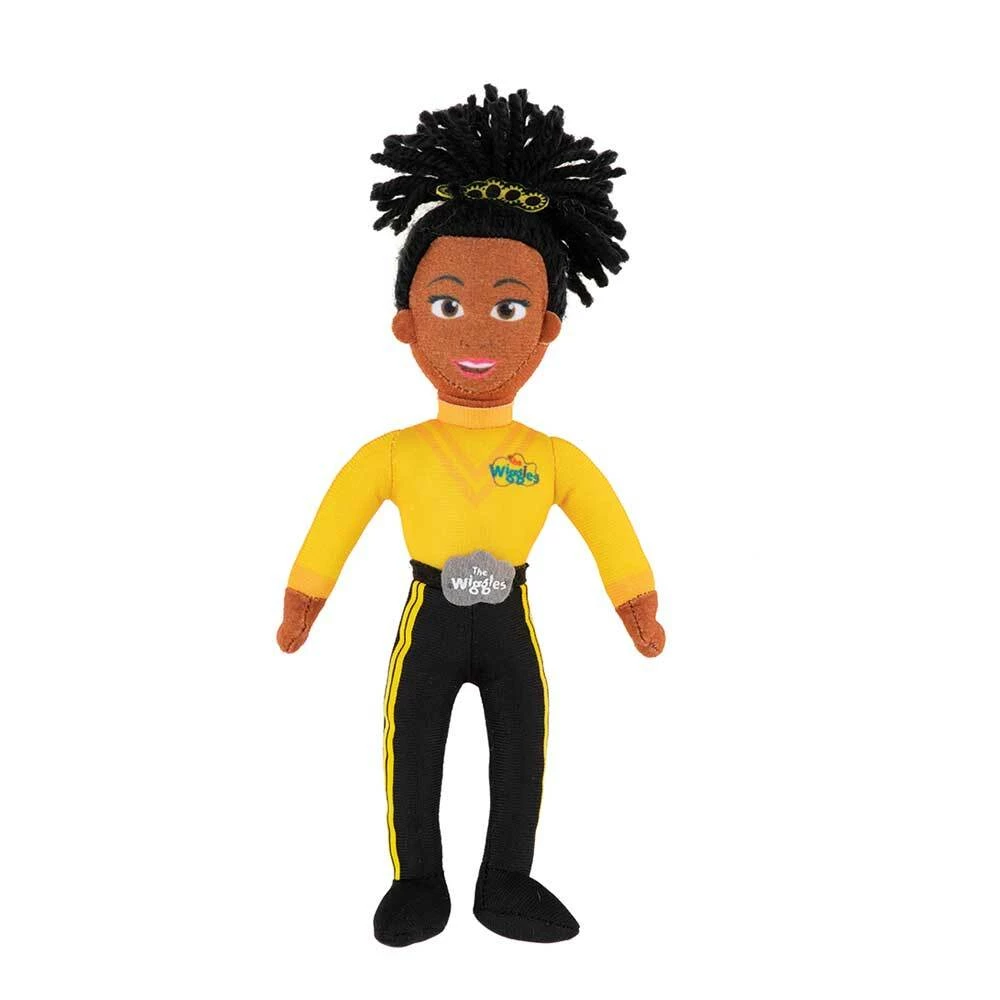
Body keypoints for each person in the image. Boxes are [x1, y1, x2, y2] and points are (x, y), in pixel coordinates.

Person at [277, 85, 665, 946]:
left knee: (521, 746)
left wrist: (634, 601)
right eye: (449, 306)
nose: (478, 333)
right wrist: (306, 598)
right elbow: (338, 515)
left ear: (546, 328)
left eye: (510, 307)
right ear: (409, 324)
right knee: (412, 743)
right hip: (430, 614)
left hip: (511, 615)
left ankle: (506, 880)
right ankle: (417, 877)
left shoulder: (554, 456)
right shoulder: (394, 452)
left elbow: (606, 522)